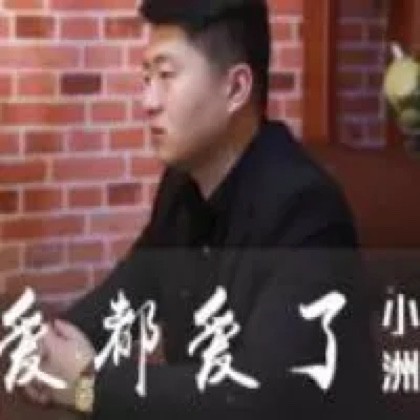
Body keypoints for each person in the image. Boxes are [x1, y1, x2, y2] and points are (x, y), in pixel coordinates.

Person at [24, 0, 383, 419]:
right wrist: (48, 350)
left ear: (235, 89)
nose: (148, 101)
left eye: (166, 76)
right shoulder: (182, 186)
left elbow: (252, 397)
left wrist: (87, 387)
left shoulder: (306, 210)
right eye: (146, 77)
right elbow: (124, 295)